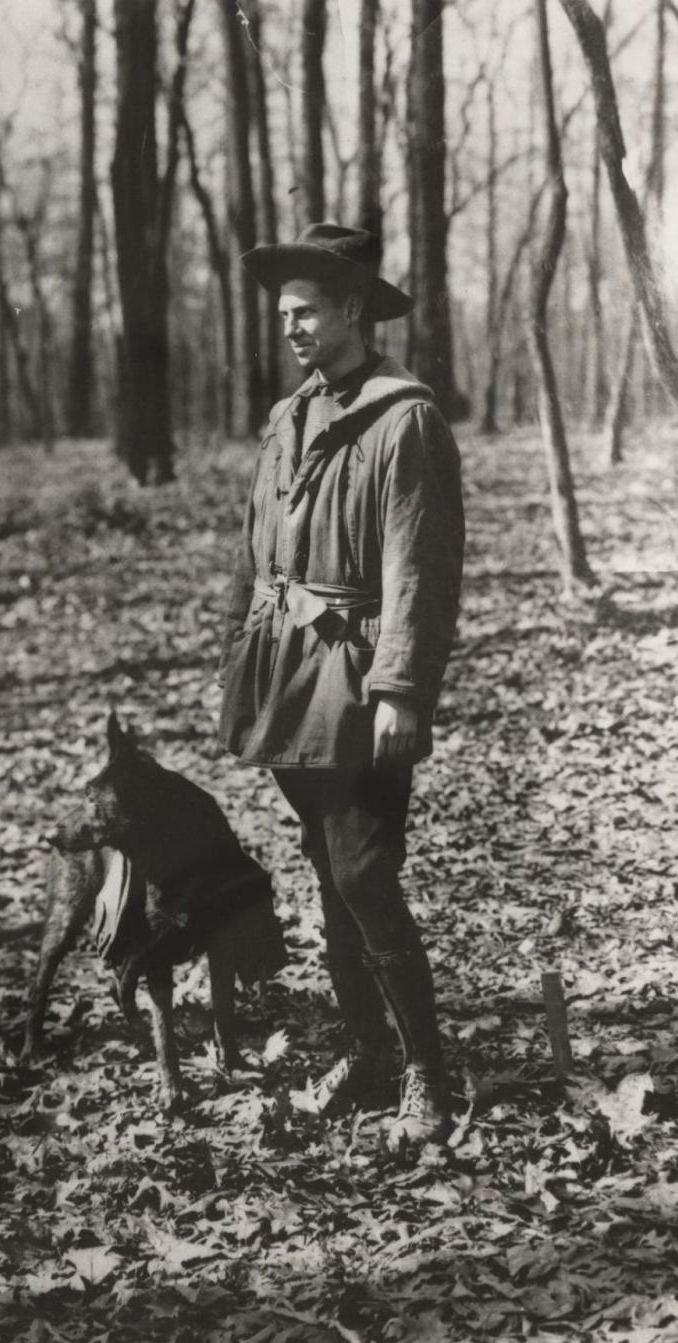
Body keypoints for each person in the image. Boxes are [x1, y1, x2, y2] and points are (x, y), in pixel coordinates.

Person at [217, 223, 465, 1150]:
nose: (290, 328)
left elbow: (421, 568)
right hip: (289, 672)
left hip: (360, 674)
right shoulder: (289, 419)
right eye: (282, 314)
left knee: (364, 867)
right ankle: (367, 1053)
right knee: (329, 865)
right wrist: (244, 657)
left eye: (307, 311)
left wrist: (403, 687)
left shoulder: (406, 420)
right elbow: (254, 551)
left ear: (355, 310)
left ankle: (428, 1077)